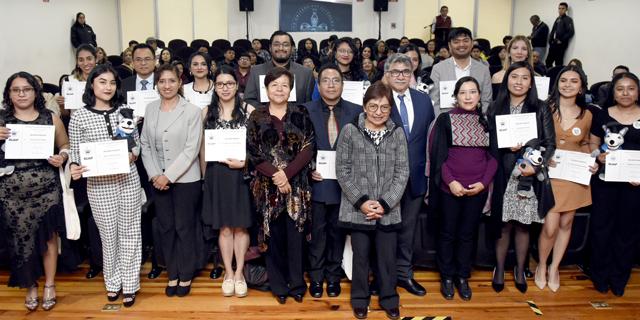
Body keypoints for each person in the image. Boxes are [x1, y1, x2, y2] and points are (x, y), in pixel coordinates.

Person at [68, 64, 143, 307]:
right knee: (108, 235)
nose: (108, 87)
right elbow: (76, 151)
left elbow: (136, 145)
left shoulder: (124, 111)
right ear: (92, 84)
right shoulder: (79, 115)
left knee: (131, 232)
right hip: (99, 185)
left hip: (127, 179)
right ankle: (112, 283)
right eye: (102, 82)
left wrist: (132, 154)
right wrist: (74, 166)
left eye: (112, 83)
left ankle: (130, 285)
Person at [336, 81, 408, 320]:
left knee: (387, 258)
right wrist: (363, 202)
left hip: (389, 209)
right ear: (365, 106)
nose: (379, 112)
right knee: (361, 257)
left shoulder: (397, 132)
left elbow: (402, 172)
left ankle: (389, 299)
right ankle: (359, 299)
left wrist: (385, 204)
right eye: (373, 106)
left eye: (384, 107)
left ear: (390, 109)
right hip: (358, 209)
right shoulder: (349, 130)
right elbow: (342, 171)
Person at [0, 72, 70, 311]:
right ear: (8, 94)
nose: (21, 94)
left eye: (26, 89)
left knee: (48, 237)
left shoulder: (49, 118)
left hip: (46, 188)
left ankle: (49, 284)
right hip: (11, 193)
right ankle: (30, 286)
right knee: (20, 241)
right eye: (16, 89)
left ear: (35, 92)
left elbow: (65, 145)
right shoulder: (1, 120)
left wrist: (62, 157)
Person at [246, 67, 315, 304]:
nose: (279, 89)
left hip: (297, 188)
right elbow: (253, 153)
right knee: (273, 237)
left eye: (284, 85)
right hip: (267, 188)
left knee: (295, 237)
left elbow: (309, 147)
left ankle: (296, 283)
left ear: (291, 89)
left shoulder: (301, 112)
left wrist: (286, 175)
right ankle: (277, 285)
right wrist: (277, 176)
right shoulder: (256, 117)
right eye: (274, 85)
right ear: (266, 89)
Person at [487, 61, 556, 294]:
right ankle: (498, 269)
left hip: (526, 176)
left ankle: (518, 269)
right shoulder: (496, 106)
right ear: (506, 79)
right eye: (514, 76)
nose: (519, 81)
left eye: (524, 77)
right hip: (502, 173)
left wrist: (535, 167)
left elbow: (550, 143)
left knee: (523, 227)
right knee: (503, 224)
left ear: (531, 82)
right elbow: (488, 143)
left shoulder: (540, 107)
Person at [428, 76, 497, 301]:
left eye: (472, 92)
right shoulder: (445, 120)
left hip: (477, 190)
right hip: (451, 189)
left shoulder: (487, 121)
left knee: (468, 234)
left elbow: (493, 159)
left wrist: (483, 183)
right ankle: (447, 276)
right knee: (447, 233)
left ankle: (462, 275)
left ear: (479, 95)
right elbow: (438, 157)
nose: (468, 96)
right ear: (455, 96)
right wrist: (452, 182)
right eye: (463, 92)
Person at [140, 63, 203, 298]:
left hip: (186, 179)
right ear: (157, 84)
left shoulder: (192, 111)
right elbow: (145, 143)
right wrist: (155, 174)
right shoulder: (151, 108)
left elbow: (191, 149)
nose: (167, 86)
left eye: (171, 81)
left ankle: (186, 274)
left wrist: (168, 175)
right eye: (162, 81)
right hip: (158, 179)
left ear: (180, 83)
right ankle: (173, 273)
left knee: (184, 228)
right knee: (166, 228)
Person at [303, 64, 362, 299]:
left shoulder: (356, 111)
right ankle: (316, 278)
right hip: (316, 183)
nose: (330, 84)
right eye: (325, 80)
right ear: (318, 85)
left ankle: (333, 277)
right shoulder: (305, 110)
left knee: (337, 234)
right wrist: (308, 169)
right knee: (317, 235)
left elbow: (361, 148)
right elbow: (299, 147)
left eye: (335, 80)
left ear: (342, 85)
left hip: (344, 187)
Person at [536, 65, 595, 292]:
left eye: (574, 81)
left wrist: (592, 159)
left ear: (581, 87)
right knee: (550, 226)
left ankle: (554, 267)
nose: (568, 85)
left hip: (574, 175)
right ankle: (541, 264)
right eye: (564, 80)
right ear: (557, 83)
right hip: (551, 175)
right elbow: (537, 139)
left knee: (566, 223)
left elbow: (588, 142)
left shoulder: (587, 114)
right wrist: (543, 156)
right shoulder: (545, 109)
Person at [201, 66, 255, 298]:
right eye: (221, 84)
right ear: (215, 85)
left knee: (241, 226)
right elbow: (202, 148)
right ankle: (229, 273)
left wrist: (245, 162)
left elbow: (257, 147)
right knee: (224, 227)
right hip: (217, 175)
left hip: (241, 175)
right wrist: (204, 178)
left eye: (229, 83)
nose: (225, 88)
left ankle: (240, 272)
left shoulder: (249, 110)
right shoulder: (206, 111)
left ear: (237, 85)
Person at [384, 53, 435, 297]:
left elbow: (429, 139)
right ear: (387, 75)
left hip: (415, 178)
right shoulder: (378, 100)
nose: (401, 76)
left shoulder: (424, 101)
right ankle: (383, 277)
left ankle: (404, 274)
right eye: (395, 72)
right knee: (384, 230)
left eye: (406, 71)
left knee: (408, 229)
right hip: (384, 180)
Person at [588, 72, 640, 297]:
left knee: (627, 231)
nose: (625, 93)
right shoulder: (602, 115)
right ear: (613, 92)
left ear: (638, 91)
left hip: (635, 184)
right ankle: (600, 275)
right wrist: (598, 157)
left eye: (631, 88)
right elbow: (593, 143)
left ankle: (619, 277)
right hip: (605, 182)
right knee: (602, 228)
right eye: (620, 89)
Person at [121, 43, 163, 279]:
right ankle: (140, 250)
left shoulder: (163, 82)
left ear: (154, 60)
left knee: (155, 204)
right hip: (131, 154)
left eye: (148, 59)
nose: (144, 63)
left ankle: (157, 254)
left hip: (159, 152)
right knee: (135, 205)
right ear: (132, 61)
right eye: (139, 59)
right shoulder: (124, 85)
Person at [244, 31, 315, 108]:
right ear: (270, 48)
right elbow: (249, 100)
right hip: (263, 118)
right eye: (276, 44)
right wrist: (267, 113)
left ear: (292, 48)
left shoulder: (306, 73)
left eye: (285, 45)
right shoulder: (256, 71)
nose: (281, 48)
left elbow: (310, 103)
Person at [430, 27, 492, 115]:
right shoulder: (438, 69)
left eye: (465, 41)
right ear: (449, 45)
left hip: (475, 122)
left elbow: (486, 101)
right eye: (456, 42)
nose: (461, 44)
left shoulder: (483, 70)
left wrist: (481, 122)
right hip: (446, 122)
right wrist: (442, 122)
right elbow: (434, 101)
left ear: (471, 43)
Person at [546, 2, 575, 68]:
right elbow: (553, 30)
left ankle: (557, 77)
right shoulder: (558, 19)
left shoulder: (568, 19)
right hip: (553, 44)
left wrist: (561, 40)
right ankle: (549, 76)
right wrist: (550, 41)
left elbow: (571, 32)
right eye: (559, 8)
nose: (560, 10)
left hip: (560, 45)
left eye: (562, 8)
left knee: (558, 63)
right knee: (548, 61)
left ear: (566, 10)